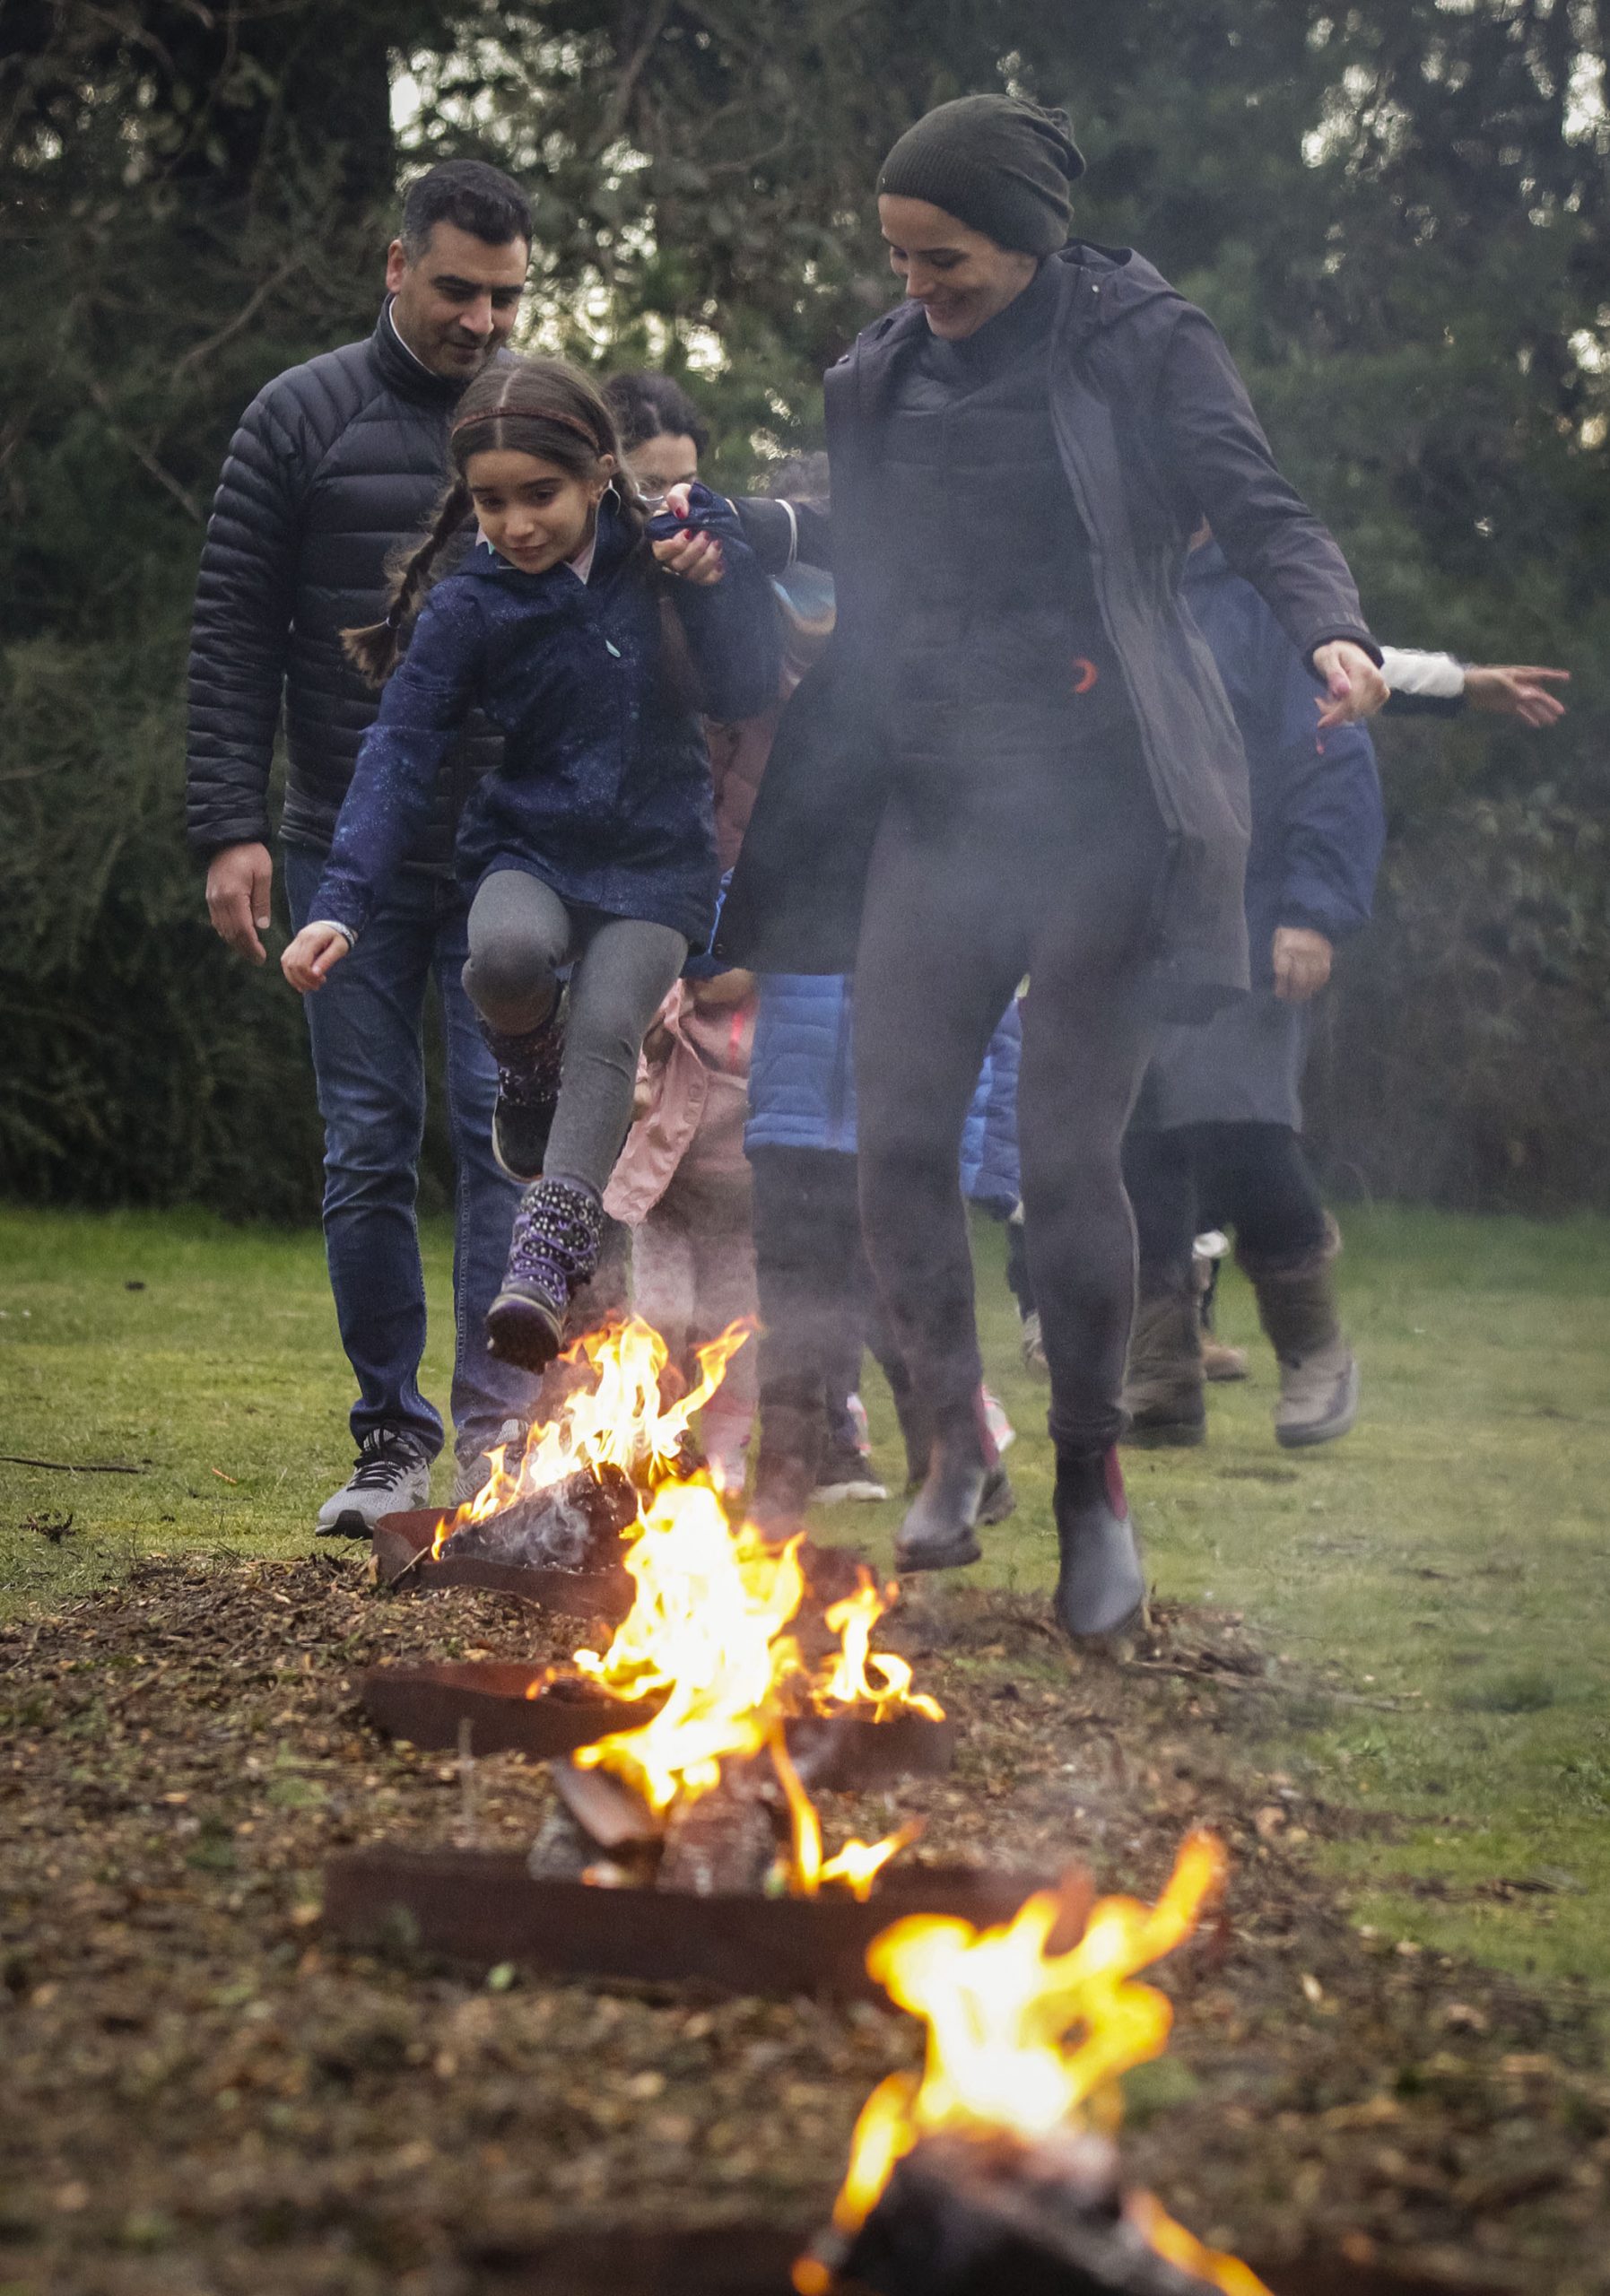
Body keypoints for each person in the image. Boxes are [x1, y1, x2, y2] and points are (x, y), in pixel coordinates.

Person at [707, 92, 1387, 1640]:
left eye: (941, 257)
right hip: (940, 802)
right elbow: (861, 554)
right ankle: (954, 1443)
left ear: (1023, 240)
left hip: (1109, 808)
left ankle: (1093, 1486)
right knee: (896, 1142)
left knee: (1071, 1155)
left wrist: (1327, 624)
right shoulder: (879, 376)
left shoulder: (1140, 340)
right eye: (895, 256)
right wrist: (745, 524)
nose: (915, 285)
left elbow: (1257, 502)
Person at [280, 357, 781, 1376]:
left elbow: (743, 685)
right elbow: (403, 746)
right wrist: (342, 902)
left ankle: (547, 1256)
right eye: (491, 501)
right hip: (529, 848)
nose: (514, 524)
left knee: (605, 1029)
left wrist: (723, 576)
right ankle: (523, 1070)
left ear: (600, 473)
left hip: (654, 868)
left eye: (538, 496)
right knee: (502, 961)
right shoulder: (476, 604)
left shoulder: (665, 560)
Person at [187, 160, 539, 1535]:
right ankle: (392, 1438)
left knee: (503, 1140)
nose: (483, 319)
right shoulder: (298, 417)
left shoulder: (540, 417)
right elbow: (229, 635)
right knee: (368, 1144)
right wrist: (229, 823)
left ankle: (505, 1447)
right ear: (395, 268)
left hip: (513, 852)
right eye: (458, 288)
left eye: (508, 295)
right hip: (344, 845)